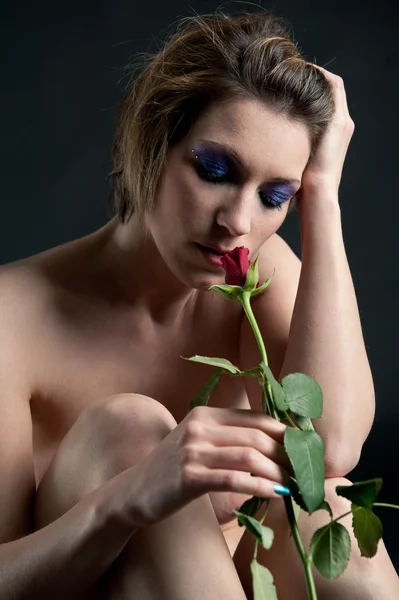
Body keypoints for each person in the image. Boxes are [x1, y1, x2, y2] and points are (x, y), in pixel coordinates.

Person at [0, 8, 397, 600]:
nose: (237, 221)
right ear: (153, 141)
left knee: (333, 518)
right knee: (130, 430)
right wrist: (128, 499)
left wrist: (322, 197)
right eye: (215, 169)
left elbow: (331, 445)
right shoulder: (13, 317)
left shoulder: (260, 276)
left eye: (274, 195)